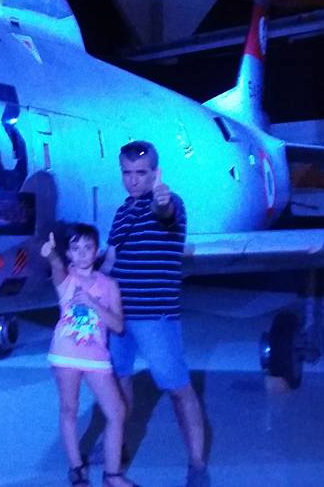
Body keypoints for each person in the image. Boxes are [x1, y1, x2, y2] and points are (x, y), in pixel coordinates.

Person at [99, 141, 209, 487]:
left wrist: (162, 200)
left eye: (141, 173)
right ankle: (119, 448)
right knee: (119, 383)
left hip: (155, 317)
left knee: (178, 389)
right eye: (127, 172)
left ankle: (197, 464)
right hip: (118, 317)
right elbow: (111, 261)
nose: (133, 180)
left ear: (155, 173)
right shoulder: (123, 211)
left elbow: (165, 212)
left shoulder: (170, 202)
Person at [42, 223, 138, 487]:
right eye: (76, 248)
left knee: (116, 411)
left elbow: (118, 326)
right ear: (69, 253)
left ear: (97, 251)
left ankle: (112, 475)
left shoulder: (109, 285)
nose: (82, 253)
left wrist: (92, 303)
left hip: (97, 357)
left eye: (88, 247)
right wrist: (51, 254)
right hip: (66, 355)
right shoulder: (66, 279)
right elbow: (56, 266)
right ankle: (76, 469)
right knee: (69, 409)